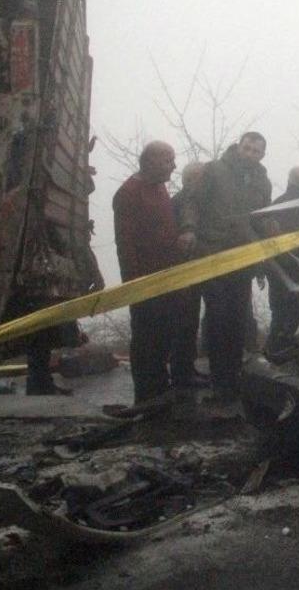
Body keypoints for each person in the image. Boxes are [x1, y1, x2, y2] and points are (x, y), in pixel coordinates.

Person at [186, 132, 272, 402]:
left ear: (262, 155)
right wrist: (189, 229)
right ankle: (219, 379)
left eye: (256, 151)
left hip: (243, 257)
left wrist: (261, 259)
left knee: (238, 318)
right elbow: (191, 201)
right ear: (239, 146)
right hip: (213, 253)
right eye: (247, 148)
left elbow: (261, 219)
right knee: (218, 317)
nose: (250, 154)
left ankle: (233, 377)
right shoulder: (215, 170)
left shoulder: (261, 180)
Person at [112, 141, 193, 405]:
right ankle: (146, 394)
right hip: (146, 281)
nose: (174, 166)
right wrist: (135, 285)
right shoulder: (129, 193)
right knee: (147, 337)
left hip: (169, 277)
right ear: (149, 162)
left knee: (164, 334)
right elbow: (125, 244)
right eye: (168, 160)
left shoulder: (160, 189)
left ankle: (160, 387)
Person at [263, 167, 299, 355]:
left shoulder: (276, 205)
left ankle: (273, 350)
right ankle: (292, 352)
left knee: (279, 312)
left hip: (277, 266)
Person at [170, 161, 207, 389]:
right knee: (183, 322)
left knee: (191, 320)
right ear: (188, 179)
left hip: (198, 267)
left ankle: (187, 367)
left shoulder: (200, 203)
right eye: (199, 178)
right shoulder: (179, 203)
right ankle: (181, 373)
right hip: (184, 270)